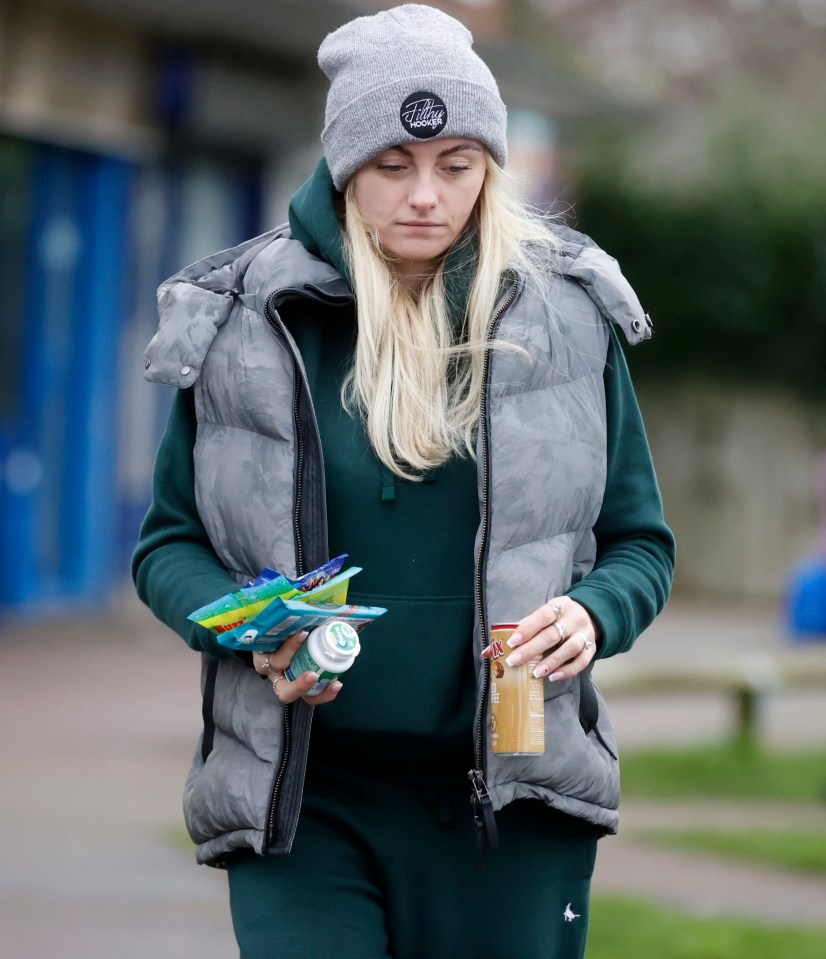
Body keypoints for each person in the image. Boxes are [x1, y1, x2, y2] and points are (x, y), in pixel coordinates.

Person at [132, 5, 675, 958]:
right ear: (345, 165)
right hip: (303, 797)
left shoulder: (570, 316)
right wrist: (244, 625)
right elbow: (169, 545)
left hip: (510, 800)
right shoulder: (240, 319)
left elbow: (641, 544)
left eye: (457, 166)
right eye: (394, 165)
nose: (426, 195)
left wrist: (593, 614)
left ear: (490, 170)